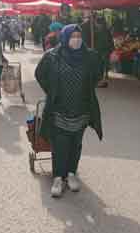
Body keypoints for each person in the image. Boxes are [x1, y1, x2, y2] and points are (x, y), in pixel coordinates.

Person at [35, 24, 103, 198]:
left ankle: (72, 173)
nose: (77, 39)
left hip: (81, 109)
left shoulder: (90, 56)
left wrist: (87, 89)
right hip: (59, 109)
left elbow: (97, 74)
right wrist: (53, 92)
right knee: (60, 145)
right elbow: (40, 74)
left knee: (76, 143)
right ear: (65, 38)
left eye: (79, 36)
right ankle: (58, 177)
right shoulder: (52, 57)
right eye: (73, 36)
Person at [93, 17, 115, 87]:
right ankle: (102, 76)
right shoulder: (95, 31)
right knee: (101, 63)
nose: (97, 25)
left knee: (103, 63)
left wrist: (111, 49)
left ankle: (103, 75)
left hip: (104, 50)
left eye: (98, 23)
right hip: (99, 50)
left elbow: (110, 40)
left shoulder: (104, 31)